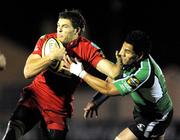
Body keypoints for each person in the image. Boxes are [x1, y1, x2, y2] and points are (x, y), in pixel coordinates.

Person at [2, 9, 121, 140]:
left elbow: (114, 73)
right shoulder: (47, 40)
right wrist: (51, 57)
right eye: (58, 26)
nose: (59, 30)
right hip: (35, 97)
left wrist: (121, 63)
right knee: (11, 135)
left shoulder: (87, 48)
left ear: (77, 31)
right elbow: (27, 72)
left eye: (64, 26)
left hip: (58, 109)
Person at [64, 30, 173, 140]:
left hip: (156, 116)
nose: (121, 53)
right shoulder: (130, 60)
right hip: (143, 112)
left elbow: (109, 89)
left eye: (127, 51)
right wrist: (97, 100)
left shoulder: (143, 73)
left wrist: (80, 73)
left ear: (139, 56)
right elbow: (112, 80)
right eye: (122, 48)